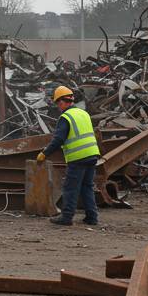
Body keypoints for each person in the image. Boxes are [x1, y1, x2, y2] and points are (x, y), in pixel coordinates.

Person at [35, 85, 99, 226]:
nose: (58, 107)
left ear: (62, 101)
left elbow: (58, 139)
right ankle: (92, 217)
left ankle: (67, 217)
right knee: (87, 187)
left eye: (58, 103)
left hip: (78, 157)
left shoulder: (66, 117)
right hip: (92, 154)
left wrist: (44, 153)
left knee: (70, 188)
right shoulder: (83, 113)